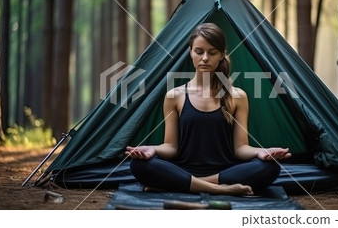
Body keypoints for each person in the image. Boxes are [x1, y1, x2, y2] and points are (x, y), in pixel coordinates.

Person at [125, 23, 291, 196]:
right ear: (190, 52)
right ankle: (218, 189)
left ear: (221, 55)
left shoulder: (238, 96)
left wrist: (262, 152)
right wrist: (152, 149)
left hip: (225, 172)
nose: (205, 58)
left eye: (212, 53)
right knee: (139, 165)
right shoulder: (174, 95)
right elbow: (171, 146)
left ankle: (182, 185)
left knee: (270, 167)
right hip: (184, 170)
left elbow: (240, 148)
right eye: (199, 51)